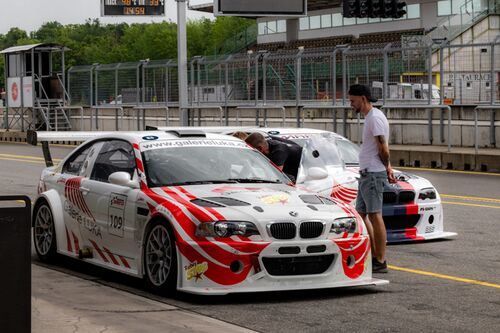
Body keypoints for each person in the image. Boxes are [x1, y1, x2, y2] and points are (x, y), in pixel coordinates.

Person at [348, 84, 396, 274]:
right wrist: (388, 167)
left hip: (373, 174)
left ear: (363, 98)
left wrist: (386, 167)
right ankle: (373, 253)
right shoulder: (371, 117)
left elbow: (383, 148)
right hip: (367, 172)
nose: (351, 104)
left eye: (353, 100)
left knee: (375, 215)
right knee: (361, 213)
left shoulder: (375, 118)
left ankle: (380, 260)